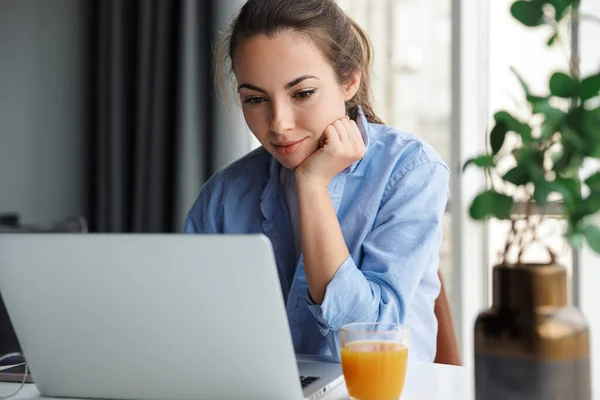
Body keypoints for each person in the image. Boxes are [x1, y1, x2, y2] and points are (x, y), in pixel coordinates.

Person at [185, 0, 450, 363]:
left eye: (302, 93)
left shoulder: (410, 171)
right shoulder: (224, 194)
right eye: (256, 99)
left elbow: (374, 343)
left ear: (349, 81)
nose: (278, 123)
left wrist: (312, 186)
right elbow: (191, 331)